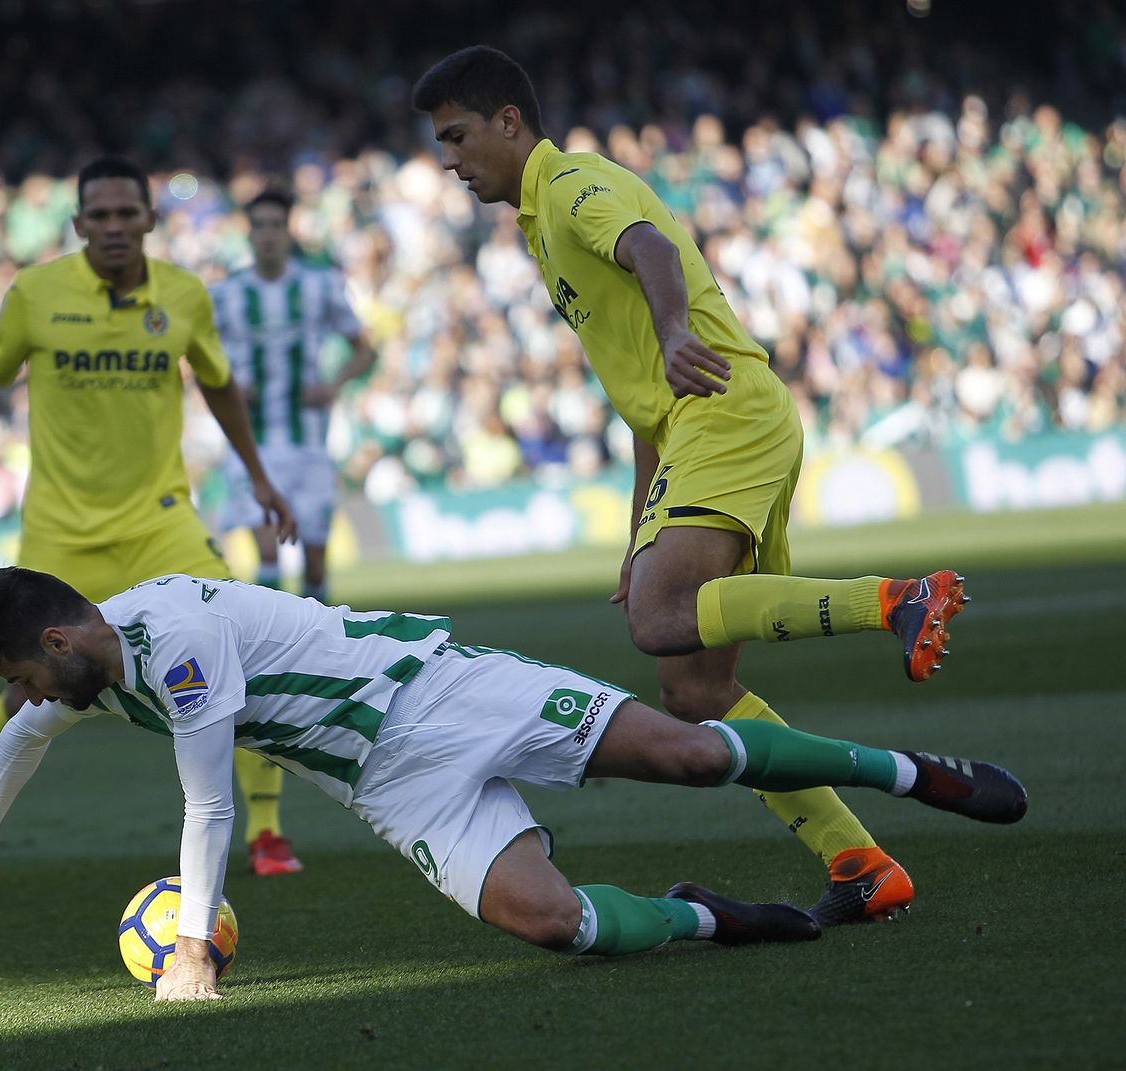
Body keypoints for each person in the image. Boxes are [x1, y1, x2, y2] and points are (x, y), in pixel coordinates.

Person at [410, 46, 971, 926]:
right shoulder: (537, 223)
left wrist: (676, 332)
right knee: (695, 691)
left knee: (660, 618)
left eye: (456, 135)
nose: (448, 158)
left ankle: (896, 599)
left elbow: (651, 247)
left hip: (723, 409)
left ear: (509, 122)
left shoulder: (570, 185)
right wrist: (641, 535)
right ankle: (860, 862)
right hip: (699, 423)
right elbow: (642, 401)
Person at [0, 567, 1026, 1001]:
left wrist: (188, 951)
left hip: (441, 692)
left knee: (693, 753)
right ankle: (707, 915)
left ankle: (912, 773)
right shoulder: (91, 666)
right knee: (554, 925)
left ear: (60, 638)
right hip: (390, 782)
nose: (26, 694)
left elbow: (211, 803)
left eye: (24, 671)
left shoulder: (172, 642)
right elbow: (25, 735)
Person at [0, 155, 306, 881]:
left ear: (149, 219)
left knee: (240, 657)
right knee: (26, 691)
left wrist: (258, 476)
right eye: (100, 215)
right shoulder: (37, 293)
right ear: (79, 224)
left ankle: (268, 831)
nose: (115, 226)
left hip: (161, 523)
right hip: (61, 533)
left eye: (127, 213)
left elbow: (219, 385)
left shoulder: (183, 294)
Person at [211, 187, 377, 602]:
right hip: (252, 445)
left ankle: (318, 639)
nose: (267, 234)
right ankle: (274, 640)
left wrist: (334, 385)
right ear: (248, 234)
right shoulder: (225, 294)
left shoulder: (320, 285)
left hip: (309, 445)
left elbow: (364, 350)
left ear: (289, 232)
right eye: (259, 225)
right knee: (267, 555)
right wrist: (228, 385)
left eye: (275, 225)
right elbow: (196, 358)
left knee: (315, 565)